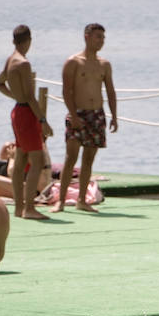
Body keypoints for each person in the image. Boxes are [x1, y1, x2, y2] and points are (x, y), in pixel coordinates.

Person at [51, 23, 117, 214]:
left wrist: (114, 116)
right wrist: (72, 113)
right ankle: (60, 201)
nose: (101, 41)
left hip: (96, 114)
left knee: (89, 159)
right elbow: (66, 90)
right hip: (77, 113)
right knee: (70, 158)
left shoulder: (104, 64)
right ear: (87, 37)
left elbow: (111, 92)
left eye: (103, 38)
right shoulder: (73, 62)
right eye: (98, 37)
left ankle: (81, 200)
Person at [0, 24, 54, 220]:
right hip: (27, 113)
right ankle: (29, 208)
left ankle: (19, 208)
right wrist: (43, 120)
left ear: (14, 41)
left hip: (17, 111)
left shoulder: (10, 60)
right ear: (29, 40)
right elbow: (30, 96)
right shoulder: (24, 64)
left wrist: (14, 96)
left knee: (20, 162)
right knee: (37, 161)